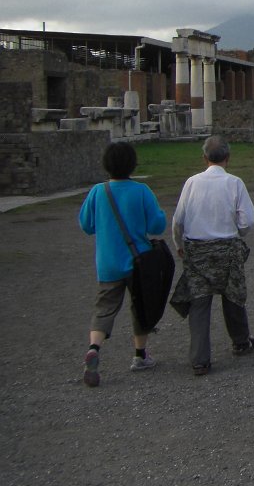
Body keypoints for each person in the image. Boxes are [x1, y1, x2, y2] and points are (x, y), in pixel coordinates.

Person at [78, 142, 167, 387]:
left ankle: (94, 348)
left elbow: (86, 225)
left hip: (108, 262)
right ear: (132, 164)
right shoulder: (141, 191)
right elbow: (157, 225)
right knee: (140, 306)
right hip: (138, 262)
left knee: (104, 308)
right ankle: (140, 355)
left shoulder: (98, 192)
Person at [170, 136, 254, 376]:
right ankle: (241, 341)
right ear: (228, 158)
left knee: (199, 302)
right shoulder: (235, 183)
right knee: (233, 296)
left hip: (197, 250)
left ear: (204, 158)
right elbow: (247, 221)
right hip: (227, 248)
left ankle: (200, 359)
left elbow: (178, 219)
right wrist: (238, 232)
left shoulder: (192, 183)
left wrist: (179, 244)